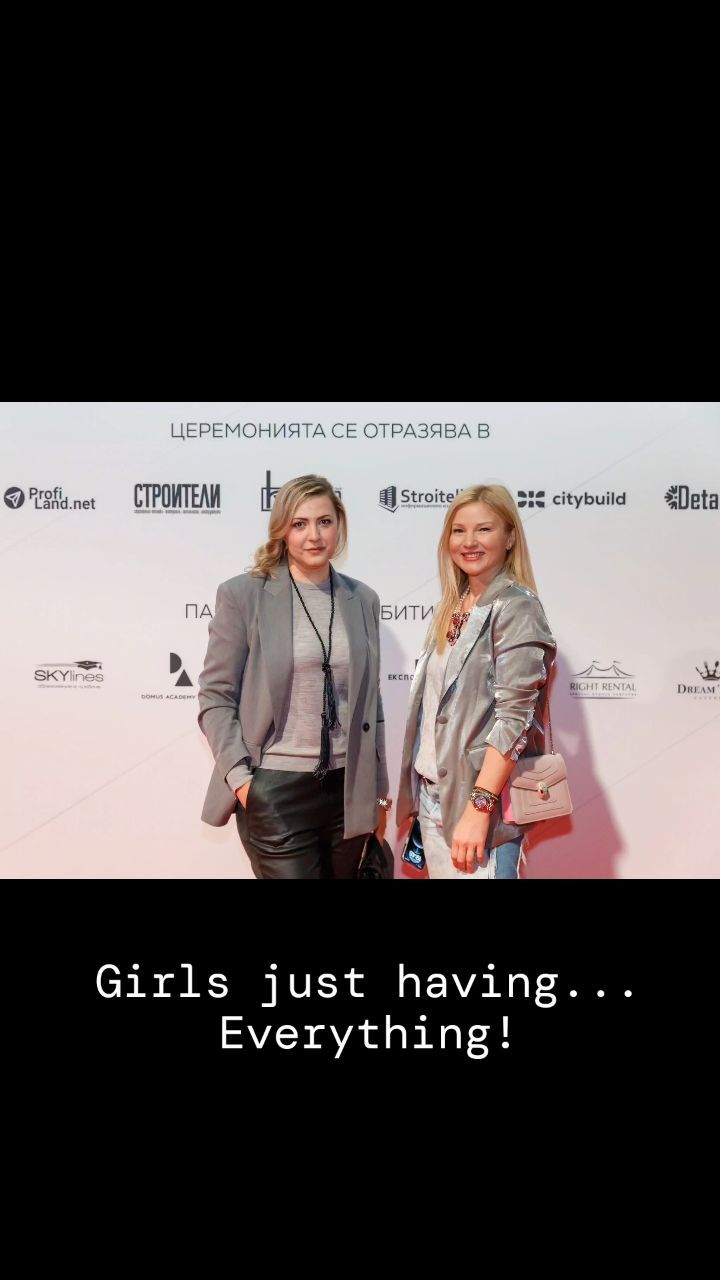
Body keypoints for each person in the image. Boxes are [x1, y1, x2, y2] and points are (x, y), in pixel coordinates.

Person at [198, 474, 391, 878]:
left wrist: (378, 794)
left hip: (348, 792)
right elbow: (216, 696)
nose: (314, 536)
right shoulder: (244, 595)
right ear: (282, 530)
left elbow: (371, 704)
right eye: (300, 524)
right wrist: (243, 783)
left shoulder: (362, 599)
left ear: (339, 525)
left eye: (324, 521)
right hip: (275, 790)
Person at [396, 484, 557, 879]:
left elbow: (514, 721)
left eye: (484, 529)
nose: (469, 542)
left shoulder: (517, 607)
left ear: (510, 537)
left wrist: (479, 807)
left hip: (480, 809)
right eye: (459, 530)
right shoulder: (452, 606)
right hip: (434, 801)